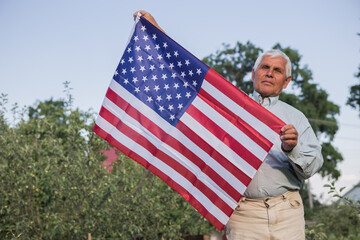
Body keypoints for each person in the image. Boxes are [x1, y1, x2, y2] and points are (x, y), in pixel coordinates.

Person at [133, 10, 324, 240]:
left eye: (277, 70)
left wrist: (292, 149)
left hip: (287, 212)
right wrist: (155, 33)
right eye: (265, 68)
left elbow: (312, 168)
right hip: (243, 214)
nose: (270, 74)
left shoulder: (297, 118)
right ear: (254, 74)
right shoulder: (231, 107)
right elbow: (189, 79)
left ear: (286, 81)